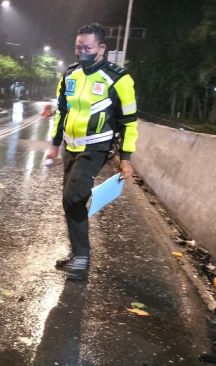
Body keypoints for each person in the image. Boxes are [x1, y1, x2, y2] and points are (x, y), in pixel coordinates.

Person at [46, 23, 139, 280]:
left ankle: (82, 259)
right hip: (70, 146)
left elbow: (130, 121)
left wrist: (126, 158)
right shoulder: (70, 75)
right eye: (78, 47)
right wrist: (54, 145)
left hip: (96, 146)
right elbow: (61, 112)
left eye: (87, 47)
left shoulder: (119, 78)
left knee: (73, 196)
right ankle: (77, 255)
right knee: (70, 201)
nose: (81, 52)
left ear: (101, 48)